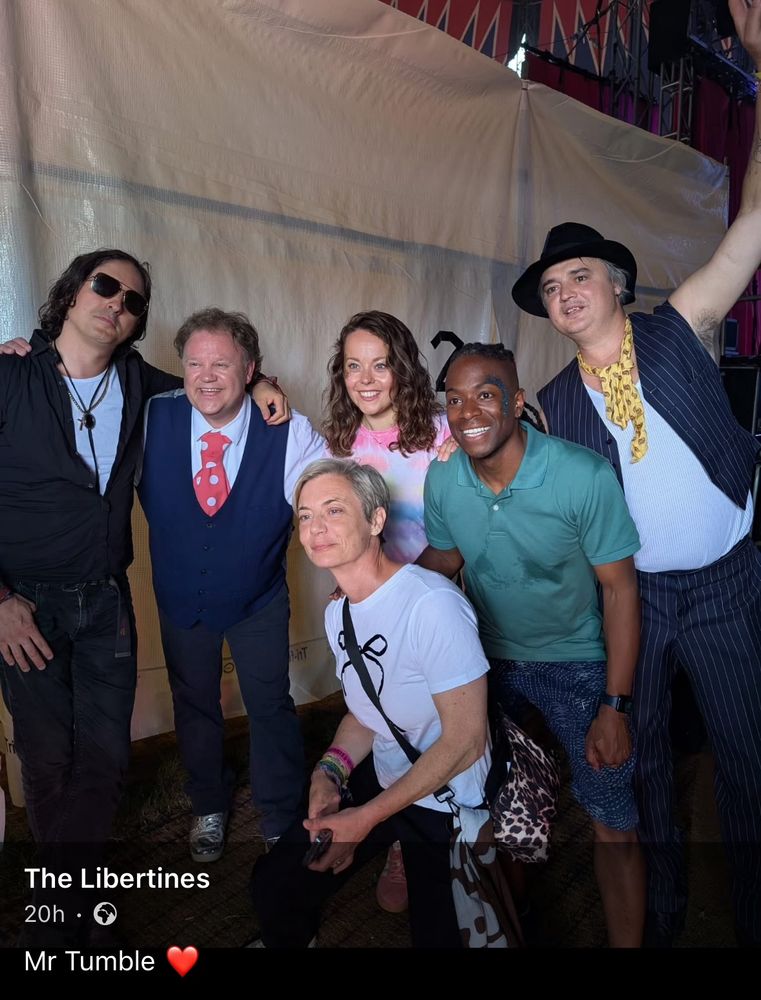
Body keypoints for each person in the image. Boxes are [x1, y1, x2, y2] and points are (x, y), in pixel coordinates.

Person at [508, 0, 761, 951]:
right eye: (552, 286)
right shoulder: (548, 403)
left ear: (618, 282)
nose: (566, 289)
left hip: (730, 589)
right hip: (636, 603)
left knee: (744, 762)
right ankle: (655, 923)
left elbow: (755, 220)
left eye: (582, 274)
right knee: (646, 766)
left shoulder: (680, 325)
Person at [0, 252, 285, 944]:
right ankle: (67, 910)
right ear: (69, 293)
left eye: (132, 299)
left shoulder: (145, 384)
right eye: (104, 286)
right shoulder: (9, 376)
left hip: (106, 604)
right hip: (24, 608)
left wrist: (267, 382)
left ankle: (74, 898)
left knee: (104, 756)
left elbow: (217, 378)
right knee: (46, 758)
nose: (117, 303)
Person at [420, 343, 646, 947]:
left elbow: (621, 592)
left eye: (485, 395)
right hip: (491, 664)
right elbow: (444, 558)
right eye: (455, 399)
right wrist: (377, 595)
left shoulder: (582, 476)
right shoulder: (444, 475)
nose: (468, 411)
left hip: (579, 667)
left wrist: (614, 706)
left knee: (613, 821)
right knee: (502, 819)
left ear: (517, 403)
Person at [250, 458, 495, 948]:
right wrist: (330, 773)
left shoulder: (433, 605)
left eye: (334, 510)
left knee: (442, 935)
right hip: (385, 776)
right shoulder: (339, 611)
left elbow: (466, 743)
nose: (316, 527)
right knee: (275, 882)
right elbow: (367, 714)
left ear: (376, 520)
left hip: (444, 798)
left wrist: (365, 819)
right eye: (304, 515)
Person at [137, 308, 324, 862]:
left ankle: (280, 815)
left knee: (270, 704)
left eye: (222, 363)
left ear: (251, 370)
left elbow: (328, 506)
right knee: (193, 704)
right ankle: (208, 806)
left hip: (258, 598)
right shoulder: (152, 417)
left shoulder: (291, 430)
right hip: (179, 596)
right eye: (195, 363)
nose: (206, 376)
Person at [323, 309, 449, 911]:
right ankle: (403, 838)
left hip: (429, 603)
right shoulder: (342, 445)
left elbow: (459, 532)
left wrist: (406, 591)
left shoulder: (441, 437)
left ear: (403, 369)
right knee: (388, 723)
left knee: (439, 727)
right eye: (353, 366)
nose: (366, 379)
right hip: (365, 607)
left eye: (380, 365)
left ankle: (452, 838)